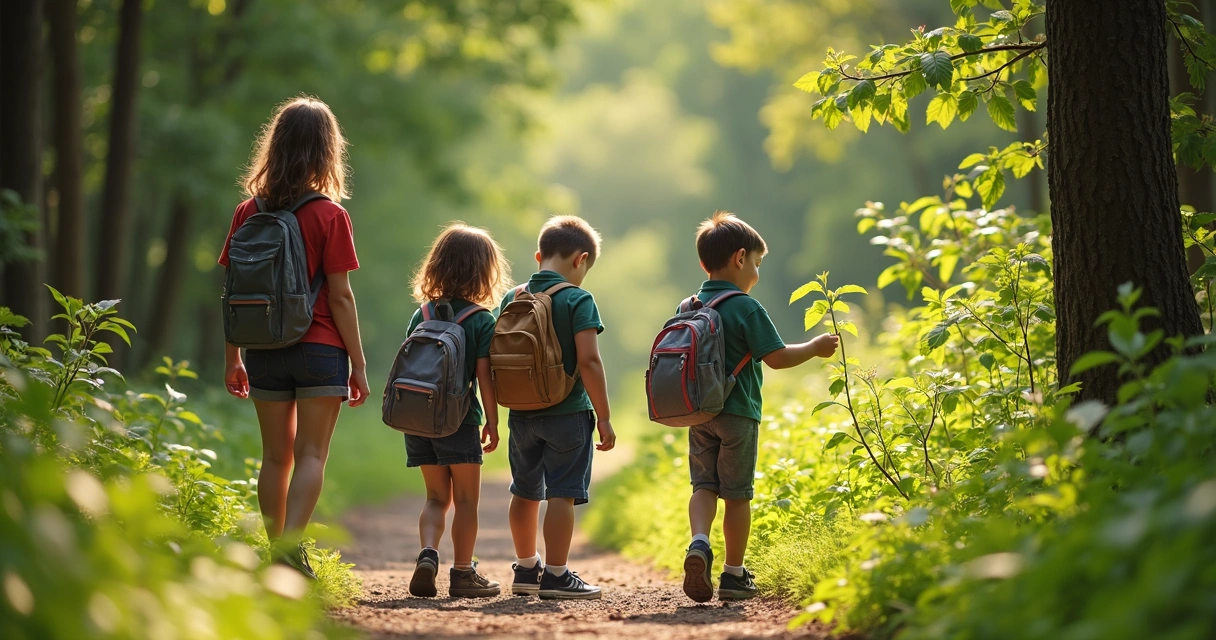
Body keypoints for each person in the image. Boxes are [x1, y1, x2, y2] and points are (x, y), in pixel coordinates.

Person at [220, 96, 371, 578]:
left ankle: (274, 551)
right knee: (311, 453)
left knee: (274, 456)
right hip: (320, 348)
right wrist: (359, 365)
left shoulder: (248, 211)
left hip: (263, 349)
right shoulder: (330, 215)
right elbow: (342, 297)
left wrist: (233, 358)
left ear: (276, 145)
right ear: (328, 150)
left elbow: (233, 291)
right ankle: (289, 551)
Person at [680, 211, 839, 603]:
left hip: (699, 414)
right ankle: (734, 575)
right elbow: (778, 357)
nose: (756, 271)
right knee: (737, 495)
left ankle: (698, 543)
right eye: (756, 262)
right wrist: (815, 348)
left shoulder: (689, 305)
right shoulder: (746, 307)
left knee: (703, 486)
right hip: (738, 415)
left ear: (704, 264)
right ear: (739, 258)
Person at [500, 216, 616, 600]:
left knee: (524, 492)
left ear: (539, 256)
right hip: (567, 413)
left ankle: (526, 567)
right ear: (581, 260)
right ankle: (557, 575)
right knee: (561, 494)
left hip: (521, 413)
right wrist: (604, 415)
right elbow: (589, 362)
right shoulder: (578, 299)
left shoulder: (513, 297)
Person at [403, 223, 511, 599]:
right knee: (465, 501)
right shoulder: (480, 320)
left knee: (435, 498)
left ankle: (428, 554)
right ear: (483, 271)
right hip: (459, 421)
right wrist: (493, 422)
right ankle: (463, 573)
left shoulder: (423, 314)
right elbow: (484, 376)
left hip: (418, 419)